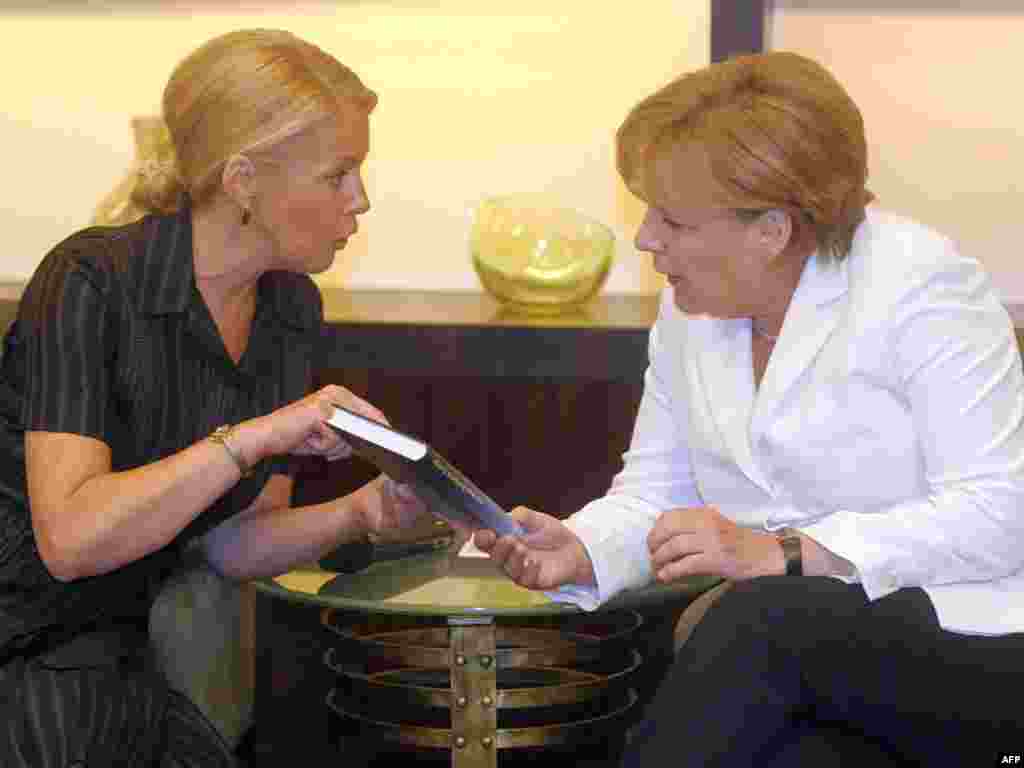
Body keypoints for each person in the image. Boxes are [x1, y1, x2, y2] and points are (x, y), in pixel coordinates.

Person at [474, 51, 1024, 766]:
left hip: (976, 636)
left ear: (771, 230)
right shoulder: (692, 306)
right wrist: (581, 547)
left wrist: (789, 553)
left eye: (671, 219)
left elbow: (1001, 510)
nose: (645, 240)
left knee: (760, 621)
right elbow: (658, 492)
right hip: (817, 655)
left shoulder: (919, 284)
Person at [0, 29, 430, 767]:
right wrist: (256, 437)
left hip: (118, 652)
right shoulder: (88, 281)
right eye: (339, 174)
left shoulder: (291, 308)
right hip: (22, 639)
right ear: (243, 181)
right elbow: (70, 541)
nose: (361, 200)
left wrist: (361, 512)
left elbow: (232, 545)